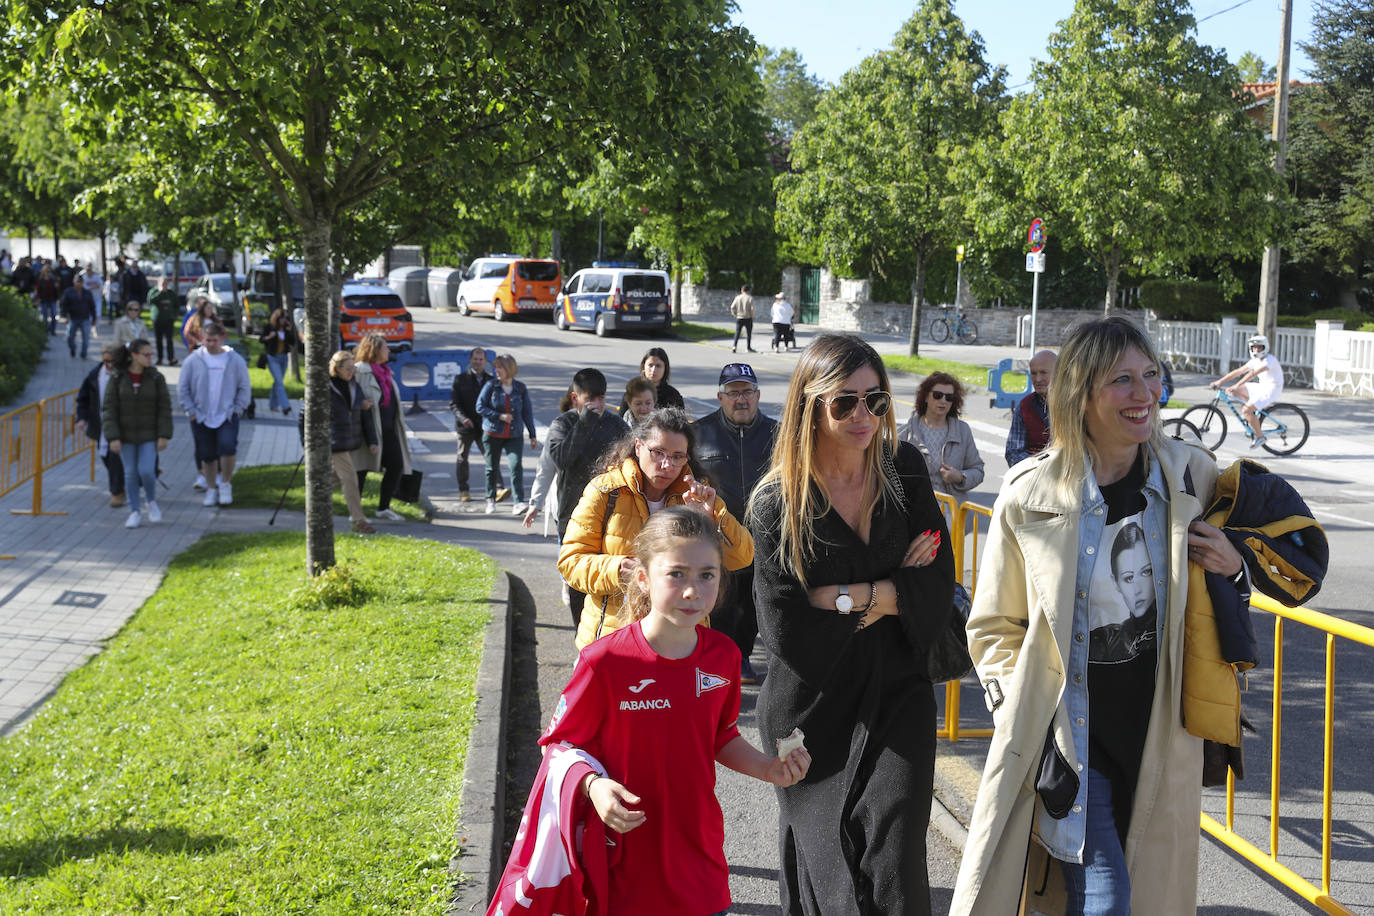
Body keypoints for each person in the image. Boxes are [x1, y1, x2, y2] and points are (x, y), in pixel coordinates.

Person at [951, 317, 1246, 915]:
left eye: (1150, 376)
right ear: (1079, 393)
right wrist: (1020, 712)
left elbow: (1246, 584)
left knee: (1144, 897)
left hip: (1160, 735)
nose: (1144, 394)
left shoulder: (1192, 474)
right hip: (1073, 742)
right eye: (1121, 380)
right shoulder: (1027, 493)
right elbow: (992, 627)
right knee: (1107, 900)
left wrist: (1235, 567)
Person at [746, 332, 954, 915]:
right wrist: (893, 595)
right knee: (825, 862)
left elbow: (937, 589)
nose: (864, 415)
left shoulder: (904, 470)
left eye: (876, 400)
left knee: (895, 849)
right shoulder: (777, 502)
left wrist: (843, 597)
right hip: (812, 704)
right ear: (810, 405)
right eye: (845, 402)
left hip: (898, 688)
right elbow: (788, 632)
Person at [521, 507, 811, 916]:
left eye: (707, 575)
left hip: (699, 857)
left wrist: (768, 769)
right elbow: (559, 745)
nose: (693, 590)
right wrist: (594, 787)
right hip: (624, 861)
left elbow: (721, 736)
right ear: (643, 577)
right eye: (676, 574)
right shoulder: (603, 661)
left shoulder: (723, 656)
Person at [559, 408, 754, 651]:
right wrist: (617, 568)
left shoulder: (695, 494)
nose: (667, 464)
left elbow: (743, 557)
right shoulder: (605, 491)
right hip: (613, 641)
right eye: (658, 452)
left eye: (677, 456)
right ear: (638, 446)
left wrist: (711, 518)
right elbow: (570, 562)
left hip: (681, 642)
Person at [694, 362, 777, 684]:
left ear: (757, 396)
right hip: (717, 534)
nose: (740, 399)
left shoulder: (777, 433)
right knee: (719, 601)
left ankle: (740, 655)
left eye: (746, 392)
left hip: (764, 535)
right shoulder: (700, 432)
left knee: (753, 603)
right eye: (733, 393)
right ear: (720, 397)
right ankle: (718, 660)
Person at [540, 368, 628, 627]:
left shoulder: (614, 424)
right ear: (575, 397)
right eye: (591, 399)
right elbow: (562, 459)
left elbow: (634, 454)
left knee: (609, 583)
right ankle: (583, 640)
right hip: (573, 516)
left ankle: (606, 640)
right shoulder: (563, 425)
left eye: (601, 399)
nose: (597, 405)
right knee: (579, 583)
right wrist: (584, 423)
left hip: (612, 515)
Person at [178, 322, 252, 507]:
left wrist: (238, 408)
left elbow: (244, 387)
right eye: (207, 340)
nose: (210, 344)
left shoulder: (234, 360)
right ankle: (211, 488)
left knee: (227, 448)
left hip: (226, 415)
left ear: (222, 339)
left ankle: (225, 483)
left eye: (214, 340)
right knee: (207, 454)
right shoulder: (193, 360)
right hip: (201, 416)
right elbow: (183, 388)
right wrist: (191, 411)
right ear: (202, 339)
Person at [102, 339, 173, 528]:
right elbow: (109, 408)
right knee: (130, 473)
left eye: (151, 354)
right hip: (125, 436)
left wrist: (163, 435)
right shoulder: (118, 378)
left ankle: (151, 501)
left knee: (147, 471)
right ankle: (134, 511)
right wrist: (113, 436)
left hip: (149, 434)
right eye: (146, 354)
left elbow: (164, 408)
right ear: (134, 355)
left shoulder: (156, 378)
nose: (150, 358)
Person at [353, 333, 414, 523]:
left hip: (388, 429)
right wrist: (360, 404)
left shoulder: (386, 372)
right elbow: (351, 399)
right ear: (374, 350)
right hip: (368, 430)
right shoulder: (359, 372)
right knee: (361, 469)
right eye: (385, 347)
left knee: (396, 465)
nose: (389, 350)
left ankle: (383, 508)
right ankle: (355, 511)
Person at [898, 371, 985, 497]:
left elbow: (978, 470)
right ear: (926, 397)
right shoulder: (905, 434)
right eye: (938, 395)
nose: (943, 400)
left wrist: (960, 477)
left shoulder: (962, 430)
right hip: (916, 510)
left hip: (952, 511)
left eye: (949, 397)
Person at [476, 352, 537, 515]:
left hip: (514, 434)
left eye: (500, 368)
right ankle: (490, 499)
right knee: (491, 468)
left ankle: (518, 502)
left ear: (509, 369)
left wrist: (532, 434)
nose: (497, 371)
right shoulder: (491, 386)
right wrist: (499, 416)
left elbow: (527, 412)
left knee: (516, 465)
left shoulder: (520, 388)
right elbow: (480, 407)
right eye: (495, 367)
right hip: (492, 433)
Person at [326, 350, 379, 534]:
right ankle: (358, 520)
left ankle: (313, 503)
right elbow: (305, 414)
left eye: (353, 368)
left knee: (330, 480)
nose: (351, 372)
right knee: (350, 478)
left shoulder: (354, 385)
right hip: (334, 441)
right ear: (337, 368)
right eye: (347, 368)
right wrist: (306, 442)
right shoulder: (327, 387)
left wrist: (372, 440)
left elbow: (364, 415)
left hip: (349, 440)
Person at [75, 344, 126, 508]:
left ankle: (116, 491)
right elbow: (83, 398)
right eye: (105, 361)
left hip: (121, 424)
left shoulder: (125, 375)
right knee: (105, 456)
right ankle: (122, 483)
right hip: (101, 424)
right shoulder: (94, 375)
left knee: (115, 456)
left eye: (112, 362)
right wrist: (82, 418)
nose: (109, 365)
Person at [448, 346, 501, 502]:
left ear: (485, 361)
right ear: (470, 360)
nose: (478, 362)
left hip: (484, 426)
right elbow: (454, 404)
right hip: (465, 426)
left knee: (491, 457)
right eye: (475, 359)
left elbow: (495, 403)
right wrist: (463, 418)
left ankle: (499, 488)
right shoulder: (460, 379)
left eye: (481, 359)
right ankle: (463, 490)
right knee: (462, 458)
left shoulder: (490, 381)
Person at [1212, 333, 1284, 448]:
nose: (1256, 349)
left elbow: (1253, 374)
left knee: (1246, 409)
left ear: (1265, 347)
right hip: (1261, 386)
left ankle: (1260, 437)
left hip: (1272, 389)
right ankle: (1251, 415)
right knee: (1237, 391)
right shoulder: (1255, 360)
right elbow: (1238, 371)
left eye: (1259, 347)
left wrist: (1236, 384)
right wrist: (1219, 382)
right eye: (1254, 347)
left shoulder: (1269, 360)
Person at [1005, 348, 1057, 467]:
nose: (1038, 379)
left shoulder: (1076, 405)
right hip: (1034, 475)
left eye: (1043, 373)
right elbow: (1013, 451)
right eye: (1033, 373)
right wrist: (1038, 467)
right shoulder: (1025, 406)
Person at [258, 308, 299, 415]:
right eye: (283, 318)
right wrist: (269, 337)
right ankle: (286, 406)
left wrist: (290, 332)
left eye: (286, 318)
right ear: (277, 318)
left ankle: (273, 404)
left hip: (283, 358)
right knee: (280, 382)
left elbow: (293, 343)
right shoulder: (269, 327)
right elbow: (261, 339)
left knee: (277, 382)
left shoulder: (286, 329)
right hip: (272, 357)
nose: (285, 320)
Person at [622, 347, 684, 412]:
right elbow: (621, 420)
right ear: (643, 366)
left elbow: (680, 421)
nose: (653, 370)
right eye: (650, 365)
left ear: (665, 369)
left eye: (658, 366)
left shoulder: (673, 395)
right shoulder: (632, 392)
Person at [59, 276, 97, 359]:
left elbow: (92, 307)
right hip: (73, 318)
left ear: (83, 283)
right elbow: (63, 305)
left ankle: (84, 354)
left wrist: (94, 319)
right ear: (74, 282)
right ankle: (73, 348)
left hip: (85, 318)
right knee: (70, 337)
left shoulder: (87, 293)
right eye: (77, 282)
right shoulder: (68, 292)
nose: (79, 283)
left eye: (80, 282)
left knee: (86, 338)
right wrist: (64, 316)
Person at [148, 278, 180, 365]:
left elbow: (177, 305)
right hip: (157, 319)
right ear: (158, 284)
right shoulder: (153, 292)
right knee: (159, 340)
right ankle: (160, 358)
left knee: (169, 340)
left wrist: (174, 315)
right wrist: (161, 292)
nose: (164, 285)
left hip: (169, 320)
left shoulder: (171, 293)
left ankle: (171, 358)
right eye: (162, 283)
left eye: (165, 283)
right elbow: (151, 300)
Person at [33, 263, 60, 335]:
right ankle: (45, 330)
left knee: (54, 316)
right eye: (47, 271)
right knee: (44, 317)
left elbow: (57, 290)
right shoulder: (40, 280)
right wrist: (37, 299)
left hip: (52, 299)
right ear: (44, 271)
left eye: (49, 271)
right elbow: (38, 290)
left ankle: (52, 330)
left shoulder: (53, 279)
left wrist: (57, 287)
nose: (48, 272)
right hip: (43, 300)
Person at [730, 283, 756, 353]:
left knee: (737, 332)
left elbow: (732, 307)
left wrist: (735, 314)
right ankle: (748, 347)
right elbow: (752, 308)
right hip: (748, 317)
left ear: (742, 290)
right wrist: (752, 316)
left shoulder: (738, 297)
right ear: (748, 291)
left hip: (739, 317)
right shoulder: (750, 298)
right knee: (749, 333)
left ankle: (734, 346)